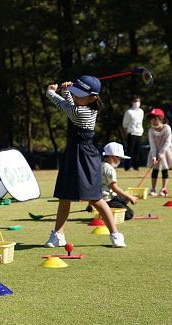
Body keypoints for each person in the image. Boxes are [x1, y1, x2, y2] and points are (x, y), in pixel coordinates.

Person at [44, 76, 126, 248]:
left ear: (93, 98)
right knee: (64, 196)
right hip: (72, 154)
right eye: (76, 93)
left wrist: (51, 91)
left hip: (86, 156)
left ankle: (116, 234)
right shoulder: (81, 106)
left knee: (95, 198)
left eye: (80, 95)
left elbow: (65, 107)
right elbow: (71, 104)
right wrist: (68, 91)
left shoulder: (82, 112)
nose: (76, 96)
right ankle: (58, 235)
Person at [101, 142, 138, 220]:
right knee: (129, 214)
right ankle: (107, 212)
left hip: (98, 199)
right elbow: (114, 187)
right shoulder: (110, 169)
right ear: (113, 156)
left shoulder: (100, 165)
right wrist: (129, 196)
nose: (120, 160)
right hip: (108, 200)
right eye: (119, 158)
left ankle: (104, 211)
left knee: (124, 198)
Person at [147, 108, 172, 197]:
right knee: (155, 170)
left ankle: (163, 189)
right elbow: (152, 144)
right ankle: (153, 189)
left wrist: (162, 152)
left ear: (161, 119)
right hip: (155, 151)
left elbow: (168, 141)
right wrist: (153, 156)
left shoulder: (167, 128)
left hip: (166, 150)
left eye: (156, 118)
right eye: (152, 119)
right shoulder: (151, 131)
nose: (154, 121)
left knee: (165, 169)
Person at [122, 95, 144, 171]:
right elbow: (125, 124)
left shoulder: (141, 111)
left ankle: (136, 166)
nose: (137, 103)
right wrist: (126, 133)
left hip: (139, 133)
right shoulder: (129, 112)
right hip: (131, 133)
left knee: (137, 151)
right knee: (130, 151)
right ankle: (127, 166)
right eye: (135, 101)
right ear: (132, 102)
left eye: (138, 101)